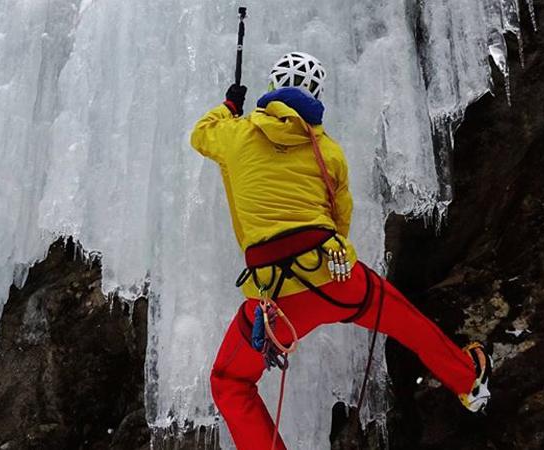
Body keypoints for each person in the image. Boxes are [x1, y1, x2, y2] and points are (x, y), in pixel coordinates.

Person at [190, 51, 492, 450]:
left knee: (229, 382)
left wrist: (230, 106)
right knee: (405, 319)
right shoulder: (326, 150)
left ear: (272, 88)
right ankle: (468, 379)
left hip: (276, 301)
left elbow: (201, 133)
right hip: (336, 279)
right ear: (314, 95)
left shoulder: (234, 134)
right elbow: (339, 217)